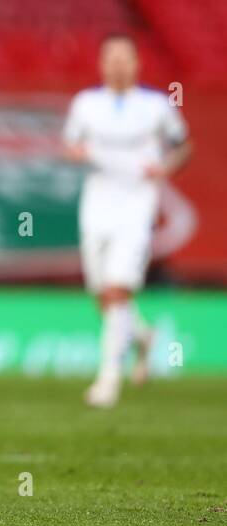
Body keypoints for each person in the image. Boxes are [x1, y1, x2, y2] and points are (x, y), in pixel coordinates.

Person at [63, 34, 192, 408]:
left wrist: (165, 167)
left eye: (124, 57)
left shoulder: (156, 106)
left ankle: (108, 379)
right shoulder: (85, 104)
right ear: (101, 64)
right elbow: (71, 144)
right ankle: (143, 336)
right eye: (111, 58)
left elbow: (184, 144)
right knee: (101, 294)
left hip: (136, 205)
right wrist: (78, 153)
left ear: (137, 63)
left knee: (118, 289)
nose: (117, 64)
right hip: (97, 203)